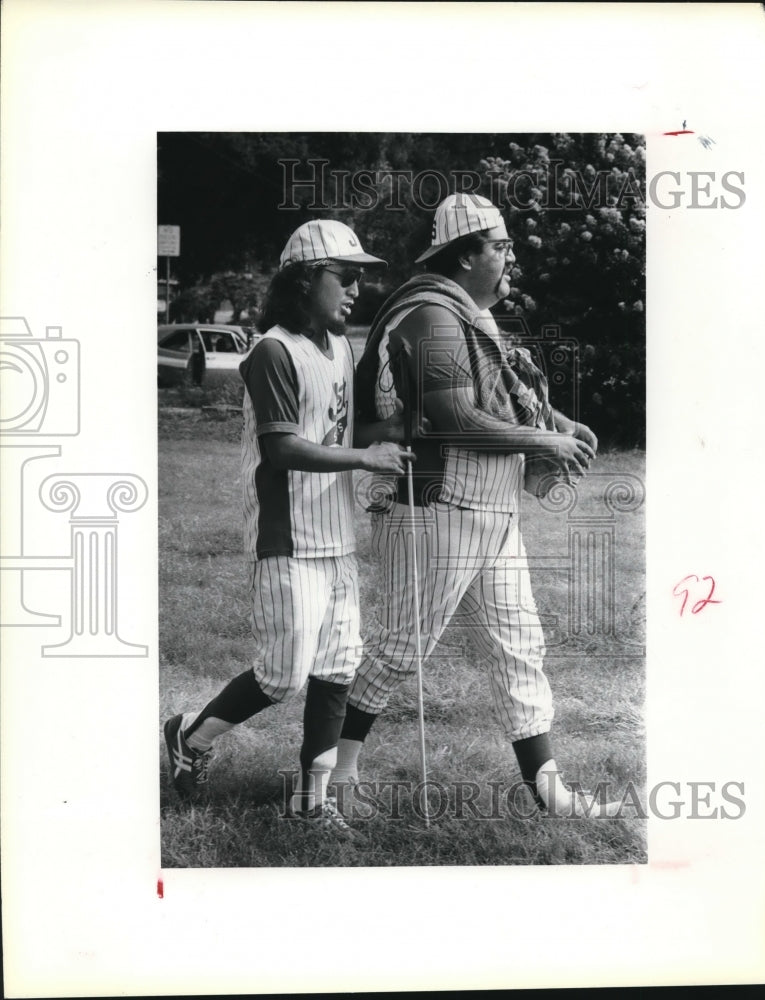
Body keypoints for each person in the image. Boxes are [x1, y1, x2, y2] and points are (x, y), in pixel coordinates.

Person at [330, 193, 620, 818]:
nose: (512, 255)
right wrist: (548, 439)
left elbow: (498, 399)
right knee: (400, 646)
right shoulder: (430, 314)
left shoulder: (468, 316)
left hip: (489, 508)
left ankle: (548, 791)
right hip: (435, 503)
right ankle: (336, 775)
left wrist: (558, 418)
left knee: (520, 642)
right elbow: (456, 416)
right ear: (465, 257)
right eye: (501, 246)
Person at [163, 219, 413, 839]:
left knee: (338, 668)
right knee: (282, 674)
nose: (356, 289)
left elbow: (346, 434)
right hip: (287, 538)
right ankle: (188, 737)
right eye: (345, 277)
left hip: (337, 536)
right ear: (305, 281)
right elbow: (282, 448)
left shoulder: (341, 347)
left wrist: (401, 427)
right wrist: (365, 459)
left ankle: (311, 802)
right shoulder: (273, 350)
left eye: (360, 278)